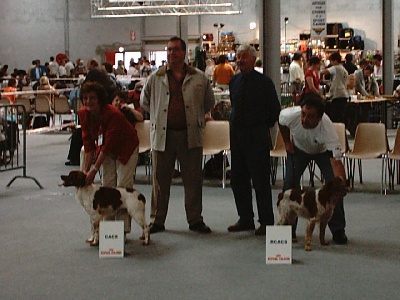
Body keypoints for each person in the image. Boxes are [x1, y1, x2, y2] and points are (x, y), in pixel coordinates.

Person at [140, 36, 215, 234]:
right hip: (163, 136)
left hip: (190, 135)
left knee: (193, 181)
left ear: (184, 53)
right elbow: (145, 102)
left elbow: (209, 103)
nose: (172, 53)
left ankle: (195, 219)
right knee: (160, 181)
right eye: (169, 50)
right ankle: (157, 220)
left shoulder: (199, 77)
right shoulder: (155, 78)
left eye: (176, 50)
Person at [278, 93, 348, 245]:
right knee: (289, 184)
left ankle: (338, 230)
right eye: (303, 114)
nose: (304, 119)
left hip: (322, 152)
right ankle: (287, 230)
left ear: (319, 118)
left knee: (333, 188)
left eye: (310, 116)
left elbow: (336, 162)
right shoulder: (289, 115)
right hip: (298, 150)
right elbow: (281, 123)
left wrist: (341, 183)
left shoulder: (328, 130)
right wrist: (286, 142)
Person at [227, 44, 281, 236]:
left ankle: (266, 221)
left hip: (257, 135)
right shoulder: (233, 81)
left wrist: (260, 126)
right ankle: (245, 218)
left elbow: (275, 110)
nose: (240, 60)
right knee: (238, 179)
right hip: (237, 135)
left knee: (260, 180)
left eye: (244, 57)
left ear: (253, 59)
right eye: (238, 57)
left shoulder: (265, 82)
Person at [79, 81, 140, 237]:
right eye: (85, 98)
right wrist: (85, 170)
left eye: (92, 98)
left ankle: (122, 232)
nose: (88, 102)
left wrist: (94, 169)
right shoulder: (83, 114)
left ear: (100, 99)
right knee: (107, 187)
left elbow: (108, 145)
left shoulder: (113, 114)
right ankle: (107, 232)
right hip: (105, 150)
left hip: (126, 148)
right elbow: (88, 144)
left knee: (122, 189)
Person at [320, 52, 349, 123]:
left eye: (331, 61)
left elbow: (322, 72)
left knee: (335, 116)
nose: (331, 63)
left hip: (337, 94)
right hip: (344, 94)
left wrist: (319, 79)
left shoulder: (335, 68)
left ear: (335, 61)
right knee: (341, 116)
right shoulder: (344, 69)